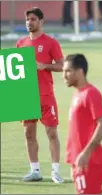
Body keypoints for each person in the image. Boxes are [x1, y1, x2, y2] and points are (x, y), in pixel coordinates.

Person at [16, 7, 64, 183]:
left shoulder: (51, 43)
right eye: (27, 19)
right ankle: (35, 170)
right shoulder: (20, 43)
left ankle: (55, 171)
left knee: (51, 132)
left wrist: (45, 66)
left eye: (33, 19)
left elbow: (61, 65)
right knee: (29, 133)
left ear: (41, 22)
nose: (29, 22)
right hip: (27, 96)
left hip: (45, 95)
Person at [63, 54, 102, 194]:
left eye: (68, 71)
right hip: (80, 162)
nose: (64, 75)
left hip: (90, 162)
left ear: (80, 71)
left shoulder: (90, 93)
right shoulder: (78, 94)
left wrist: (85, 154)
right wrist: (73, 162)